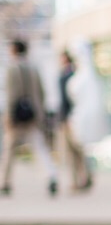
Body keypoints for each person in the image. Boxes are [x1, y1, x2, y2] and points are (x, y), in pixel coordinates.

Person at [1, 39, 59, 196]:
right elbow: (41, 93)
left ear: (14, 50)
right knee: (39, 148)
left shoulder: (12, 69)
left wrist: (9, 117)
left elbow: (11, 95)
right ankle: (50, 176)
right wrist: (40, 113)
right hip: (33, 116)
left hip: (16, 118)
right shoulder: (34, 68)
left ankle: (4, 182)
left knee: (9, 150)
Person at [57, 48, 93, 191]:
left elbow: (66, 101)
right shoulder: (76, 74)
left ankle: (78, 181)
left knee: (73, 151)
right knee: (78, 150)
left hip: (70, 119)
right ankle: (84, 177)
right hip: (73, 118)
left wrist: (65, 118)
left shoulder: (69, 76)